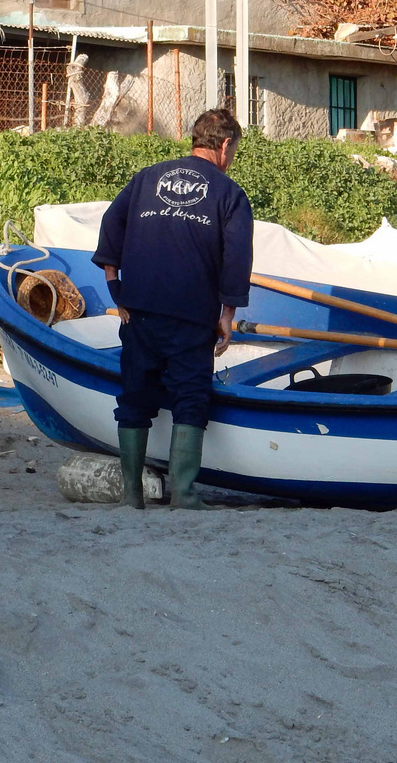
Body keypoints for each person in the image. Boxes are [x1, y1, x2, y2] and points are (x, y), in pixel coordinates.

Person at [92, 108, 253, 509]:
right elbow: (237, 258)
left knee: (134, 397)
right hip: (192, 315)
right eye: (234, 151)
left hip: (138, 309)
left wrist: (115, 287)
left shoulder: (147, 178)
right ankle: (184, 494)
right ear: (226, 145)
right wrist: (228, 315)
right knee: (191, 397)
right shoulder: (230, 194)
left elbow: (111, 224)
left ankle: (132, 495)